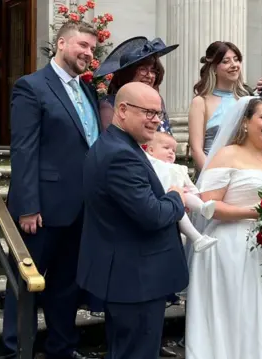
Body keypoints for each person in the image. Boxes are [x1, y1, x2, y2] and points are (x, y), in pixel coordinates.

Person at [3, 21, 100, 359]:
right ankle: (17, 349)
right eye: (83, 46)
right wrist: (28, 205)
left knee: (66, 284)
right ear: (61, 43)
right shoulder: (31, 87)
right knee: (27, 282)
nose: (89, 53)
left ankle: (62, 347)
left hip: (82, 206)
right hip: (42, 208)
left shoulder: (87, 90)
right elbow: (24, 149)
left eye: (92, 48)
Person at [185, 95, 262, 359]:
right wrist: (257, 213)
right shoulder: (228, 155)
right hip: (232, 249)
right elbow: (207, 205)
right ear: (244, 123)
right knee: (237, 318)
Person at [77, 82, 189, 359]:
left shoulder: (117, 144)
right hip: (135, 279)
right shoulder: (120, 155)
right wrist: (176, 197)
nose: (156, 120)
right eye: (148, 113)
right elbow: (152, 215)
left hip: (130, 276)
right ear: (123, 110)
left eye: (159, 113)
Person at [144, 132, 218, 252]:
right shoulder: (151, 164)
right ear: (151, 150)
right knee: (180, 212)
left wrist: (196, 195)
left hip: (180, 197)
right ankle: (197, 238)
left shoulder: (179, 168)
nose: (171, 152)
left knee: (187, 195)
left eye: (173, 150)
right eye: (166, 148)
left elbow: (191, 186)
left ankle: (203, 208)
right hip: (164, 199)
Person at [188, 41, 251, 171]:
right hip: (213, 172)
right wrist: (212, 178)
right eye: (226, 61)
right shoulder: (201, 102)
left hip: (245, 172)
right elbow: (196, 150)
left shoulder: (247, 100)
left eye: (236, 59)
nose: (234, 65)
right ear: (214, 68)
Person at [94, 36, 177, 132]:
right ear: (127, 73)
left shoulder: (158, 100)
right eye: (143, 70)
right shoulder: (109, 104)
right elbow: (111, 142)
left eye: (153, 71)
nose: (150, 75)